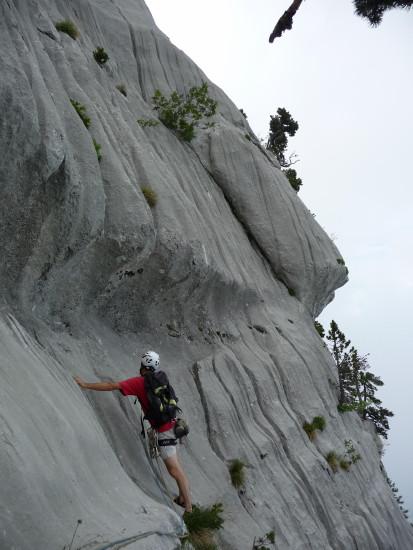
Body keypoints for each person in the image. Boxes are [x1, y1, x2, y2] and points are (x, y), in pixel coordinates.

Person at [74, 350, 192, 513]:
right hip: (173, 425)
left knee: (174, 470)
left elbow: (112, 386)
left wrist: (86, 385)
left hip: (164, 432)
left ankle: (189, 508)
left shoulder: (140, 383)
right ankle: (181, 498)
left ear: (143, 366)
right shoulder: (161, 378)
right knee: (176, 467)